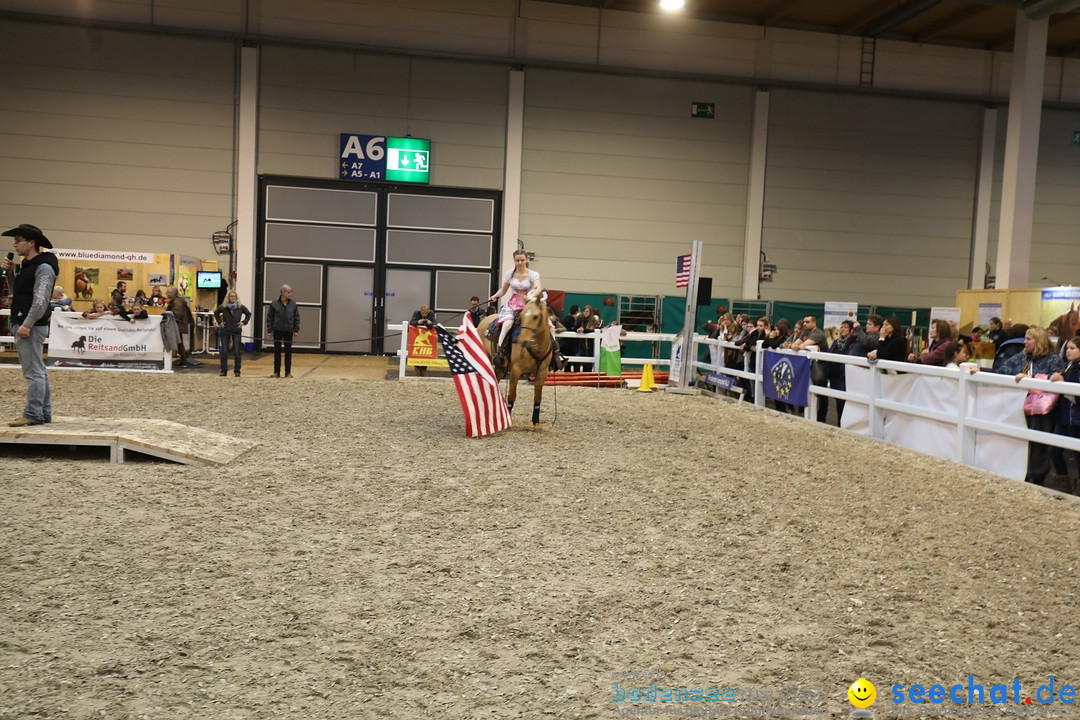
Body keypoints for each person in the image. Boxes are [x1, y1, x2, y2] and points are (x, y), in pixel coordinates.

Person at [974, 326, 1064, 485]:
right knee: (1018, 441)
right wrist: (980, 370)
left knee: (1038, 446)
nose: (1025, 342)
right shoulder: (1020, 358)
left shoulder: (1053, 359)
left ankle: (1037, 478)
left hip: (1041, 412)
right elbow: (1001, 371)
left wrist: (1032, 378)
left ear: (1039, 340)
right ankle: (1019, 475)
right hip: (1018, 407)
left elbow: (1056, 379)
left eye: (1029, 339)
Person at [1, 224, 59, 427]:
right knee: (38, 370)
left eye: (18, 240)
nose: (15, 245)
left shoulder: (43, 267)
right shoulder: (29, 266)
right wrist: (9, 274)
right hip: (28, 323)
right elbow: (20, 292)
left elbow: (41, 300)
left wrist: (27, 323)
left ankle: (33, 413)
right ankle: (43, 412)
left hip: (30, 325)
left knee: (33, 372)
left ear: (31, 243)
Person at [488, 249, 563, 372]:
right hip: (514, 303)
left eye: (522, 260)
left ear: (526, 260)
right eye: (517, 260)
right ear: (514, 261)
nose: (520, 262)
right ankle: (500, 352)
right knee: (507, 324)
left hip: (529, 302)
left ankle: (556, 354)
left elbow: (538, 287)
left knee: (549, 326)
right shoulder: (509, 274)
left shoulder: (533, 274)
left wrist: (531, 297)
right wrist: (495, 296)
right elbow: (503, 290)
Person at [1049, 337, 1080, 490]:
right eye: (1067, 348)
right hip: (1064, 417)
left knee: (1078, 454)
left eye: (1073, 348)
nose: (1068, 350)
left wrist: (1063, 381)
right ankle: (1064, 482)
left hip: (1076, 419)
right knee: (1054, 450)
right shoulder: (1069, 366)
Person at [214, 289, 251, 377]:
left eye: (234, 296)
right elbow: (216, 313)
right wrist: (220, 322)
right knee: (224, 351)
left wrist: (243, 322)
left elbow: (248, 314)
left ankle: (237, 371)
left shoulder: (240, 307)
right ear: (228, 297)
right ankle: (223, 370)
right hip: (225, 331)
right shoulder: (223, 307)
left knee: (237, 351)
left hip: (236, 331)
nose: (233, 298)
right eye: (231, 296)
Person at [266, 284, 299, 378]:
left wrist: (296, 329)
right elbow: (270, 317)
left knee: (288, 351)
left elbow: (296, 317)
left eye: (290, 292)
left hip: (288, 331)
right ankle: (276, 372)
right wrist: (270, 329)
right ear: (282, 292)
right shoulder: (274, 303)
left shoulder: (293, 304)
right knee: (277, 351)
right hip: (277, 330)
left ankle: (288, 372)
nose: (290, 294)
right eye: (288, 292)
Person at [166, 286, 199, 368]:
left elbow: (177, 314)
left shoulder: (177, 303)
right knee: (179, 342)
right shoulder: (177, 301)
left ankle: (183, 359)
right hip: (180, 324)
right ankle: (183, 359)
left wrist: (167, 314)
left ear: (172, 294)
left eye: (168, 292)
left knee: (179, 343)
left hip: (178, 325)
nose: (166, 294)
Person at [409, 304, 437, 376]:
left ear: (428, 312)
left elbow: (434, 324)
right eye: (422, 313)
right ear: (420, 311)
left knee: (425, 353)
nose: (424, 315)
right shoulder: (416, 313)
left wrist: (430, 323)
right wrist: (418, 322)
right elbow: (411, 322)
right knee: (417, 351)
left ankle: (423, 370)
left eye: (426, 313)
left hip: (426, 335)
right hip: (417, 335)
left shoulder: (431, 314)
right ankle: (417, 369)